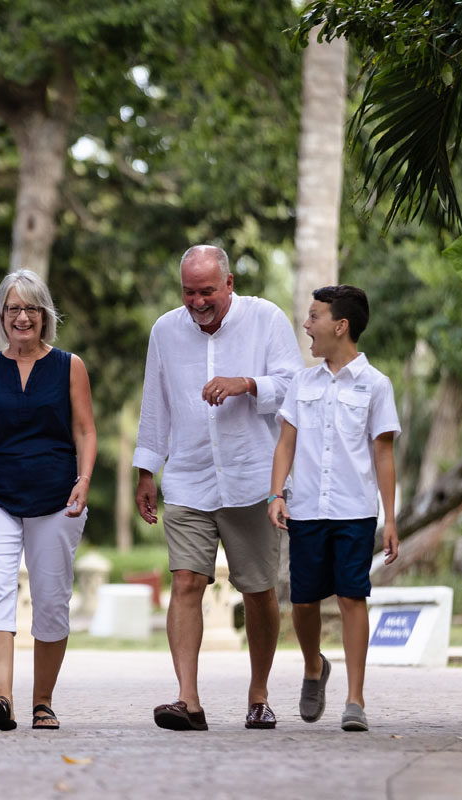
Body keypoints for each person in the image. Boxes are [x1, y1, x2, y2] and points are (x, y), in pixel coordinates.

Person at [135, 244, 302, 731]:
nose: (198, 301)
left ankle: (259, 694)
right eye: (189, 292)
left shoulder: (266, 319)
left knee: (257, 589)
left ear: (229, 283)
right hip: (189, 477)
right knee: (186, 581)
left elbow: (297, 388)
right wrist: (147, 469)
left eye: (207, 291)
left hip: (253, 479)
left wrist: (248, 383)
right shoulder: (165, 330)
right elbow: (155, 402)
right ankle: (188, 700)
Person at [0, 270, 96, 732]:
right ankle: (3, 699)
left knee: (51, 599)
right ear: (2, 315)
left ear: (44, 314)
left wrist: (84, 479)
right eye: (13, 308)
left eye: (31, 308)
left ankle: (42, 701)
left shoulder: (69, 366)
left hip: (56, 496)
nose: (22, 316)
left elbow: (85, 430)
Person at [267, 285, 400, 733]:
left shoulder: (376, 385)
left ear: (340, 326)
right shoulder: (302, 383)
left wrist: (391, 519)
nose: (306, 325)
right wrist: (277, 494)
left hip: (354, 510)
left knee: (351, 596)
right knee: (303, 602)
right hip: (305, 509)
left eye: (314, 317)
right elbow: (286, 444)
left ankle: (355, 700)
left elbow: (383, 455)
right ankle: (312, 666)